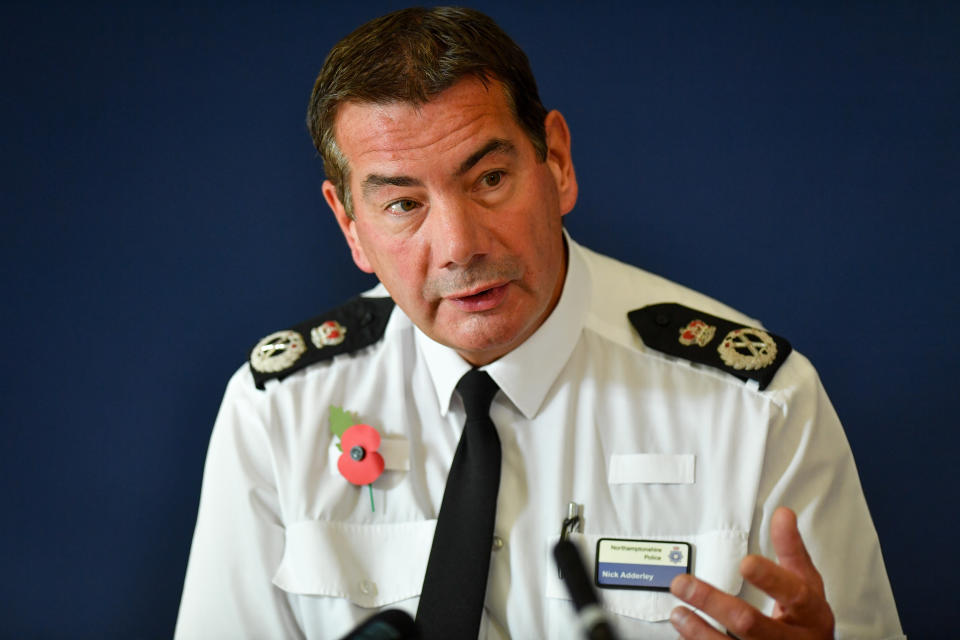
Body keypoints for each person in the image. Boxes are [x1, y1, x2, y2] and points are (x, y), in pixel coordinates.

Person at [175, 7, 903, 639]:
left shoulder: (760, 404)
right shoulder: (278, 410)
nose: (460, 245)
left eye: (489, 180)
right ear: (350, 225)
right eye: (403, 205)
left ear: (555, 161)